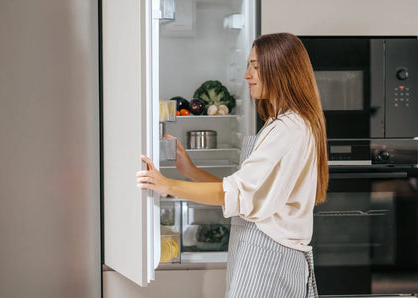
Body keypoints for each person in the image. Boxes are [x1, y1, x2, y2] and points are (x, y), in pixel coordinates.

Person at [136, 32, 328, 298]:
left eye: (256, 67)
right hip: (262, 251)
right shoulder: (281, 123)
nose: (247, 75)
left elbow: (236, 193)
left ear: (281, 71)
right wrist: (190, 171)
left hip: (269, 257)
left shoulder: (289, 128)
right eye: (249, 65)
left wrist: (167, 185)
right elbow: (248, 192)